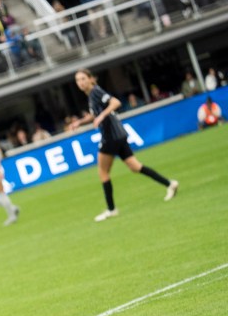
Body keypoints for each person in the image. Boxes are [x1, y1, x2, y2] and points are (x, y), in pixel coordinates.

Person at [70, 69, 178, 222]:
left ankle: (111, 209)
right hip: (119, 135)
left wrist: (101, 116)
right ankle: (170, 184)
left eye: (83, 78)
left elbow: (115, 102)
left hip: (110, 136)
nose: (80, 82)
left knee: (103, 172)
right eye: (77, 80)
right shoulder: (92, 95)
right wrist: (80, 122)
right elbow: (95, 113)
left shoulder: (95, 91)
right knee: (135, 166)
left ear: (90, 79)